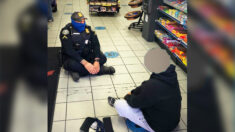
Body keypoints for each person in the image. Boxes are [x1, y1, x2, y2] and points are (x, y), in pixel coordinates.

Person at [108, 49, 182, 132]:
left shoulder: (152, 85)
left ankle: (115, 103)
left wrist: (128, 96)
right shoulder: (170, 76)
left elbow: (134, 103)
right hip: (174, 121)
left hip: (159, 127)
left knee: (120, 104)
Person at [60, 12, 115, 81]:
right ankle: (101, 70)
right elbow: (69, 50)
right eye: (80, 21)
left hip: (86, 54)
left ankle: (80, 72)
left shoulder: (88, 29)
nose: (83, 23)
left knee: (103, 58)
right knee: (72, 65)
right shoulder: (66, 31)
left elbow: (96, 44)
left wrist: (97, 60)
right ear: (74, 22)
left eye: (83, 20)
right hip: (73, 57)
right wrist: (85, 63)